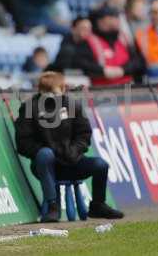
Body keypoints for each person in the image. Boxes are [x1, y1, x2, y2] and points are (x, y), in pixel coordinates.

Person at [15, 72, 124, 222]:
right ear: (40, 90)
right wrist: (46, 151)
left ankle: (98, 205)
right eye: (47, 92)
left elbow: (84, 134)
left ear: (63, 89)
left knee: (100, 165)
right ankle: (53, 206)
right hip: (46, 165)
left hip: (72, 160)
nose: (51, 95)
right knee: (45, 154)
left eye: (54, 91)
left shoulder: (72, 105)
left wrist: (74, 151)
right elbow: (23, 143)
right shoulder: (29, 107)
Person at [77, 6, 145, 86]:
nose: (114, 21)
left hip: (127, 88)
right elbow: (83, 65)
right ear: (99, 21)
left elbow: (138, 62)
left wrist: (122, 70)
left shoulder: (125, 39)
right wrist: (104, 71)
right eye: (110, 18)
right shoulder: (88, 41)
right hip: (100, 90)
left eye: (116, 17)